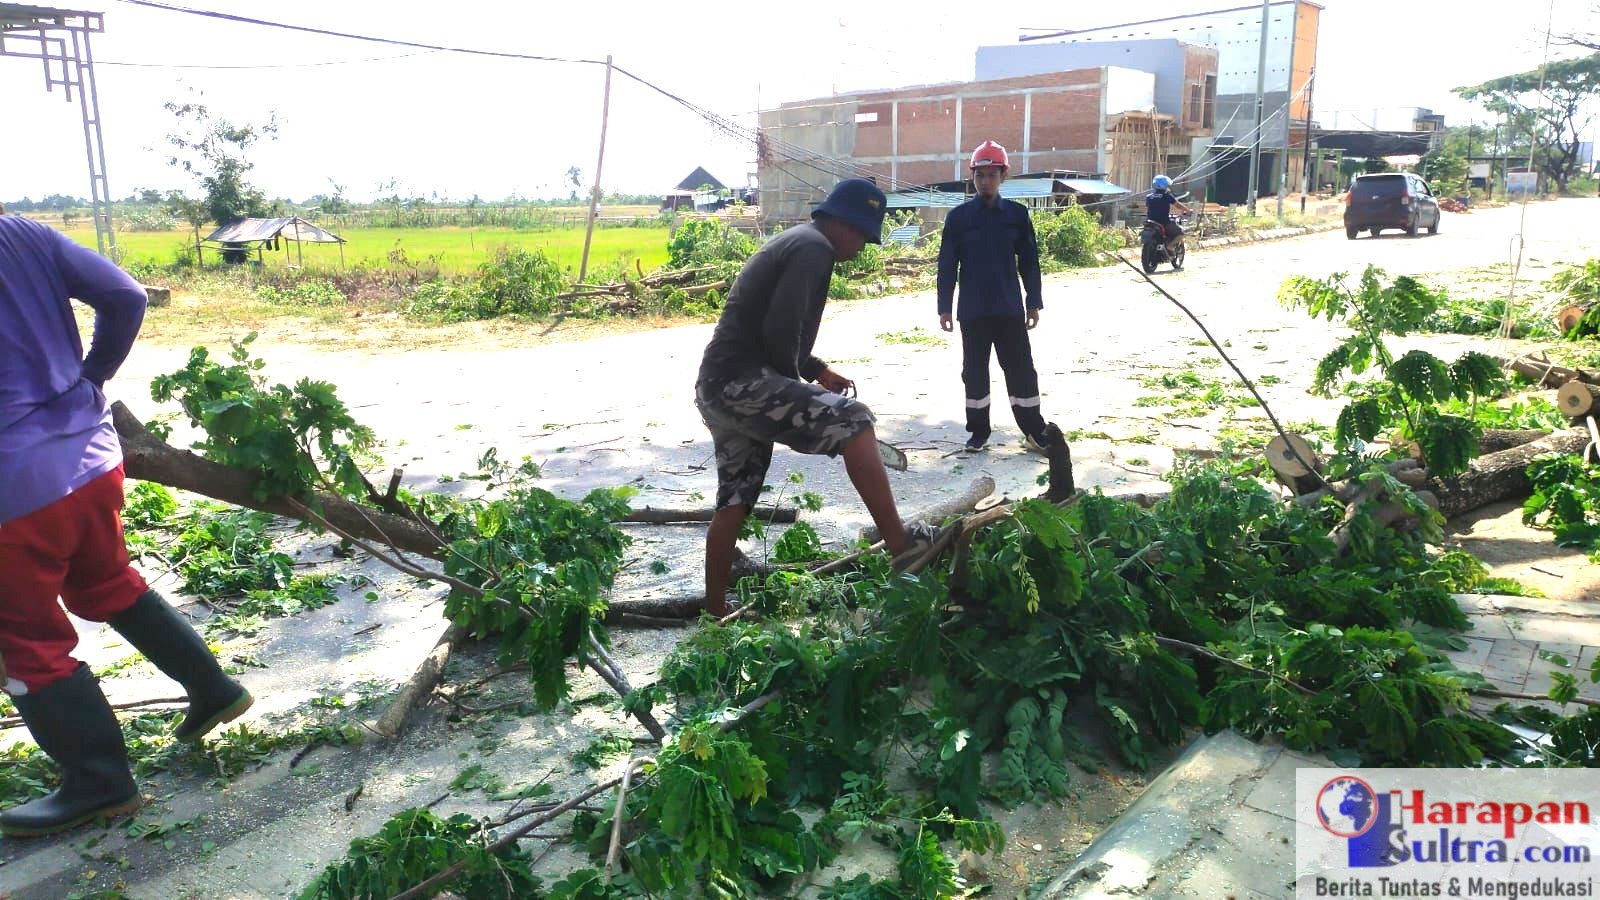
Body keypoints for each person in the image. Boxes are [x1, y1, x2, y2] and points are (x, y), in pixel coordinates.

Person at [0, 216, 254, 838]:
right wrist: (91, 377)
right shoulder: (21, 233)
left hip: (14, 491)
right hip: (88, 458)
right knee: (107, 582)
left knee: (28, 646)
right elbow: (126, 295)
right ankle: (212, 687)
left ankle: (100, 782)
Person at [695, 178, 937, 616]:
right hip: (743, 383)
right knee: (855, 420)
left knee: (735, 496)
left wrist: (814, 370)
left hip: (717, 386)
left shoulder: (798, 241)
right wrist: (796, 390)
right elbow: (780, 333)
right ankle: (901, 545)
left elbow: (775, 330)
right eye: (864, 234)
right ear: (844, 223)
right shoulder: (814, 249)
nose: (863, 246)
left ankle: (713, 613)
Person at [937, 140, 1049, 453]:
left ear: (1003, 176)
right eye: (980, 175)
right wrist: (944, 307)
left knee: (1021, 370)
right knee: (973, 373)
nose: (986, 181)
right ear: (972, 177)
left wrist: (1034, 301)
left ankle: (1034, 429)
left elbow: (1029, 261)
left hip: (1009, 309)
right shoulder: (958, 219)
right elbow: (947, 264)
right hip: (972, 311)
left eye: (992, 174)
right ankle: (978, 431)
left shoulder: (1016, 215)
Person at [1144, 174, 1192, 261]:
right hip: (1163, 222)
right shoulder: (1166, 196)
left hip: (1150, 222)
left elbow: (1151, 208)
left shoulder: (1149, 197)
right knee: (1180, 234)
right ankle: (1170, 246)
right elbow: (1178, 205)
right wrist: (1188, 210)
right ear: (1164, 185)